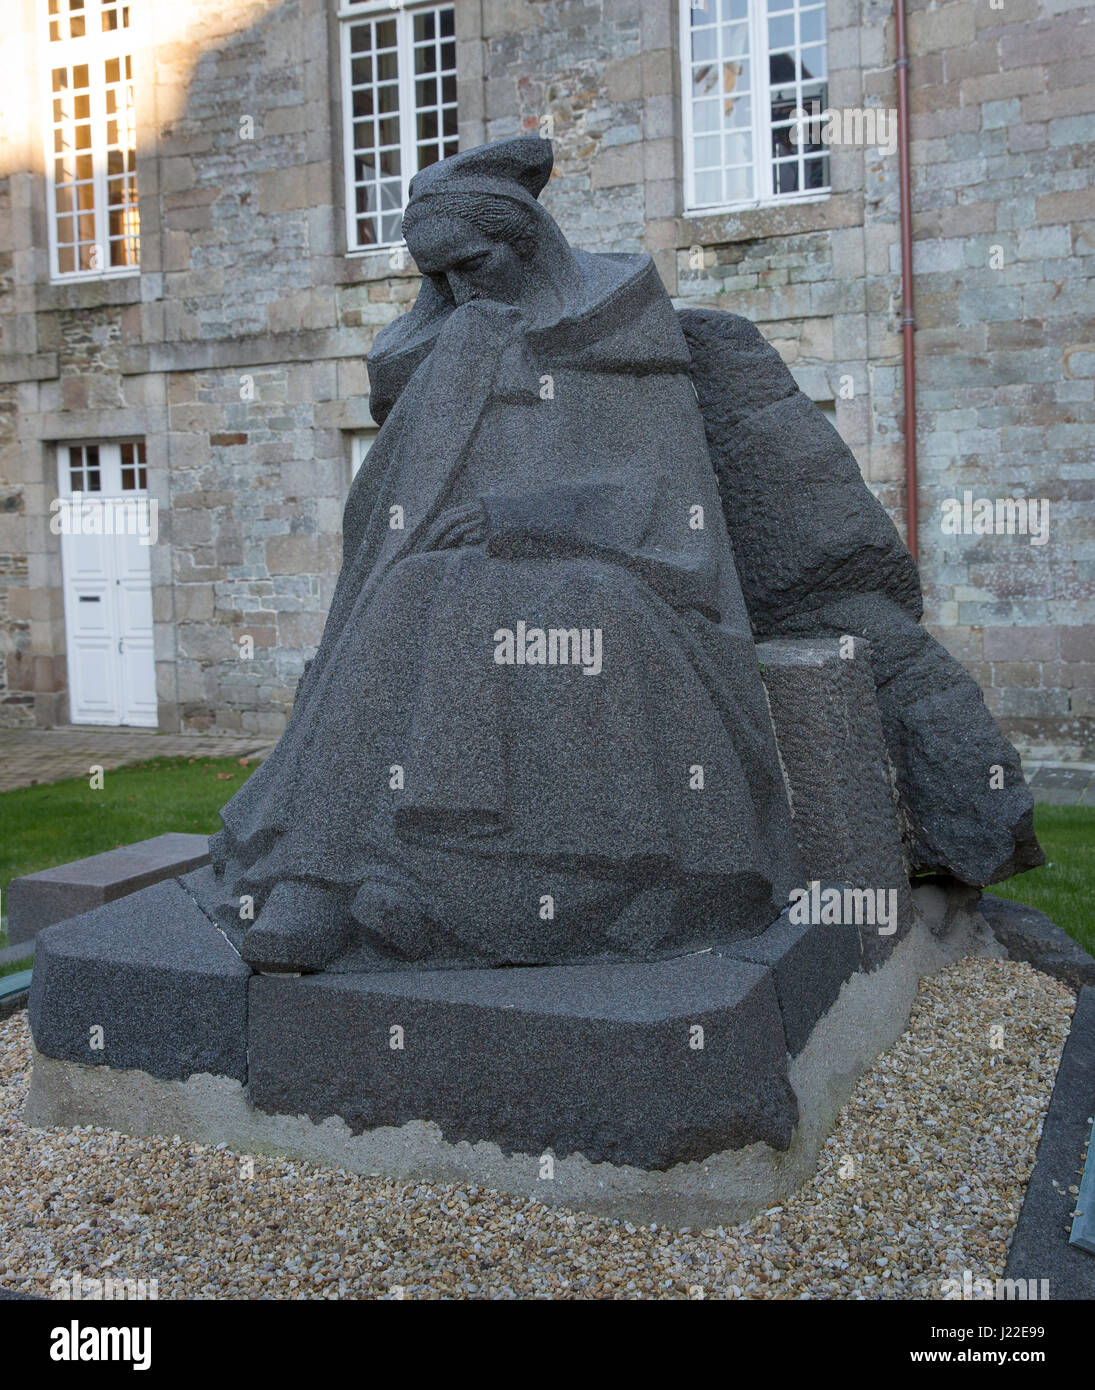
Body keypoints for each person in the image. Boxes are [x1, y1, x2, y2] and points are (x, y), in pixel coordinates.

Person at [208, 137, 800, 973]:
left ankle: (491, 889)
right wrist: (460, 364)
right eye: (434, 275)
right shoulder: (460, 337)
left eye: (470, 263)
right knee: (411, 589)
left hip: (631, 577)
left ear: (526, 239)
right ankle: (323, 872)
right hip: (475, 563)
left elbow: (668, 502)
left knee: (550, 603)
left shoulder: (623, 322)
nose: (455, 288)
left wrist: (515, 516)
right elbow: (399, 490)